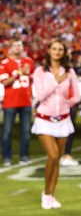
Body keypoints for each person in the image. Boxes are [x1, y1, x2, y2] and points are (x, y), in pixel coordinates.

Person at [30, 38, 81, 209]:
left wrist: (67, 104)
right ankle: (46, 193)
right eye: (54, 48)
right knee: (52, 155)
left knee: (57, 159)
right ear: (49, 51)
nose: (57, 52)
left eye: (60, 49)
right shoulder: (39, 71)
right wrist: (57, 81)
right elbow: (40, 95)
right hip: (44, 119)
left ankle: (51, 195)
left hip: (63, 120)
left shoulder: (70, 71)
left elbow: (77, 96)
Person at [1, 38, 35, 166]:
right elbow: (5, 82)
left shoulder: (29, 61)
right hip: (10, 102)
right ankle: (6, 157)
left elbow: (33, 78)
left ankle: (24, 156)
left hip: (26, 101)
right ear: (10, 48)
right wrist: (19, 73)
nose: (17, 47)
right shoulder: (5, 63)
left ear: (23, 47)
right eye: (15, 45)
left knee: (26, 131)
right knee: (7, 131)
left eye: (19, 45)